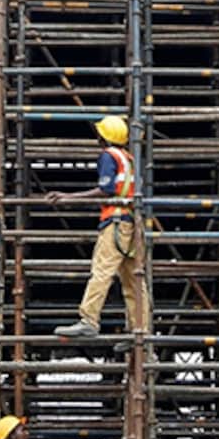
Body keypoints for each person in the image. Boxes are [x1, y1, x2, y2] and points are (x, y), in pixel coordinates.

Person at [49, 116, 150, 353]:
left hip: (115, 224)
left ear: (103, 137)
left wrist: (68, 197)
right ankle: (141, 333)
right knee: (134, 281)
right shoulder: (130, 159)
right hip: (133, 225)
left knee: (102, 271)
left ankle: (89, 320)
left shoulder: (109, 156)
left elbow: (106, 190)